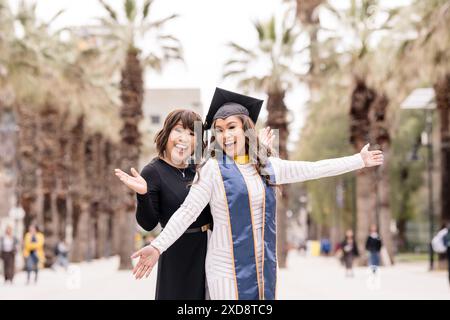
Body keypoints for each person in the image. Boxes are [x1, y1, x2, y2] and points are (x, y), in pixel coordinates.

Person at [131, 87, 384, 300]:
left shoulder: (268, 168)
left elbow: (313, 169)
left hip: (261, 266)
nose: (226, 135)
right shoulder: (211, 170)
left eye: (232, 127)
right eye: (219, 130)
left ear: (245, 130)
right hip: (224, 270)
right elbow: (186, 212)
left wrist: (357, 160)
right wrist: (157, 246)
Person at [115, 109, 273, 299]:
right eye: (179, 130)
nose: (185, 138)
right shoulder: (153, 171)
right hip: (177, 251)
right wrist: (142, 194)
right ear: (167, 133)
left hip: (210, 248)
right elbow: (148, 224)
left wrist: (260, 150)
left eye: (192, 133)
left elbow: (239, 176)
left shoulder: (202, 168)